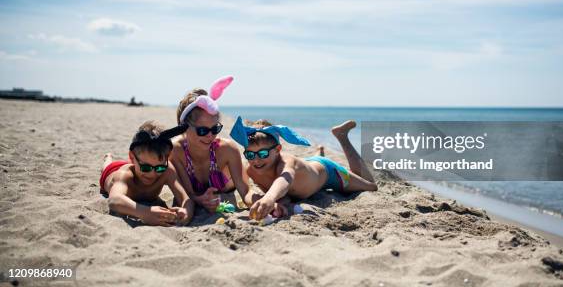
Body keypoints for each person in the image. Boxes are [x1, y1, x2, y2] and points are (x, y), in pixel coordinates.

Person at [230, 117, 377, 220]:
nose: (256, 160)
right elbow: (249, 193)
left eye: (263, 153)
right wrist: (267, 202)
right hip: (307, 169)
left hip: (329, 172)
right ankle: (318, 152)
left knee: (370, 186)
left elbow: (284, 180)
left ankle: (342, 137)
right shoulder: (251, 170)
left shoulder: (287, 162)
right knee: (306, 168)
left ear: (278, 149)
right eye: (250, 154)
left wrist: (269, 197)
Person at [170, 76, 257, 212]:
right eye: (202, 130)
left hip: (230, 187)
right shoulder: (176, 151)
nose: (210, 135)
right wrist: (199, 200)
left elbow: (245, 191)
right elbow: (187, 195)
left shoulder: (227, 149)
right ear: (184, 127)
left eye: (215, 128)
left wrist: (260, 203)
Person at [99, 121, 194, 226]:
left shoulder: (167, 170)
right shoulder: (124, 175)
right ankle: (108, 158)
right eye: (146, 168)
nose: (152, 174)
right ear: (132, 157)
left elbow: (186, 198)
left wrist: (186, 212)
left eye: (159, 168)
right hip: (112, 170)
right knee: (106, 167)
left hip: (135, 164)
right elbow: (114, 200)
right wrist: (146, 213)